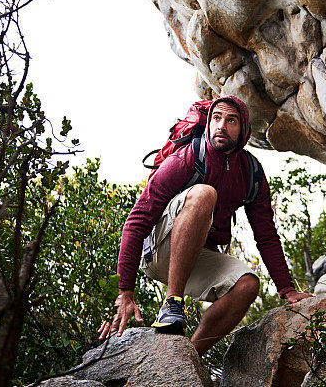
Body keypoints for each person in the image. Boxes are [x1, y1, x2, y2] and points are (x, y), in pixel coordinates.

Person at [99, 95, 311, 355]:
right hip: (158, 250)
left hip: (195, 255)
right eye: (216, 118)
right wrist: (125, 291)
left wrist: (287, 289)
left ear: (243, 130)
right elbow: (137, 220)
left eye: (231, 120)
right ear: (209, 123)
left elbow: (266, 234)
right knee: (204, 194)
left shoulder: (251, 172)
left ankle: (189, 357)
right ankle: (171, 304)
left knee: (247, 285)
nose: (222, 126)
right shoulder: (189, 156)